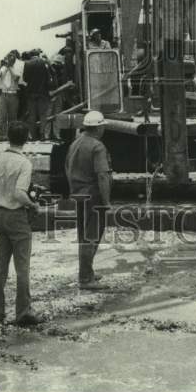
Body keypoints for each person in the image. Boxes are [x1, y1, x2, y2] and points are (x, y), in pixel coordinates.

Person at [0, 120, 42, 327]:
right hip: (17, 215)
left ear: (8, 137)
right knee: (22, 266)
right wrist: (33, 205)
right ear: (26, 139)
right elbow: (19, 193)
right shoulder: (24, 163)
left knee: (0, 266)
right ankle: (23, 311)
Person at [65, 111, 112, 290]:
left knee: (83, 236)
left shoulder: (75, 144)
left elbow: (67, 169)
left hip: (79, 194)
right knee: (91, 236)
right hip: (93, 196)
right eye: (103, 126)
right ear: (98, 127)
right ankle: (85, 278)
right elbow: (102, 176)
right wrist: (106, 201)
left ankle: (87, 272)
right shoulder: (97, 146)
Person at [21, 50, 52, 141]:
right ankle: (42, 135)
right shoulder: (44, 63)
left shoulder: (27, 64)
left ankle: (33, 136)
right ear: (38, 55)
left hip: (31, 93)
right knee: (42, 115)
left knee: (32, 116)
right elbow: (48, 78)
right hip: (43, 93)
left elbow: (25, 78)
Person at [0, 50, 24, 138]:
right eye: (8, 57)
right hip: (3, 94)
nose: (9, 60)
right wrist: (0, 66)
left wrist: (10, 67)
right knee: (3, 117)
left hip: (13, 94)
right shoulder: (3, 68)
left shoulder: (18, 68)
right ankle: (3, 136)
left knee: (12, 118)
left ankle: (12, 136)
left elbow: (16, 79)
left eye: (11, 58)